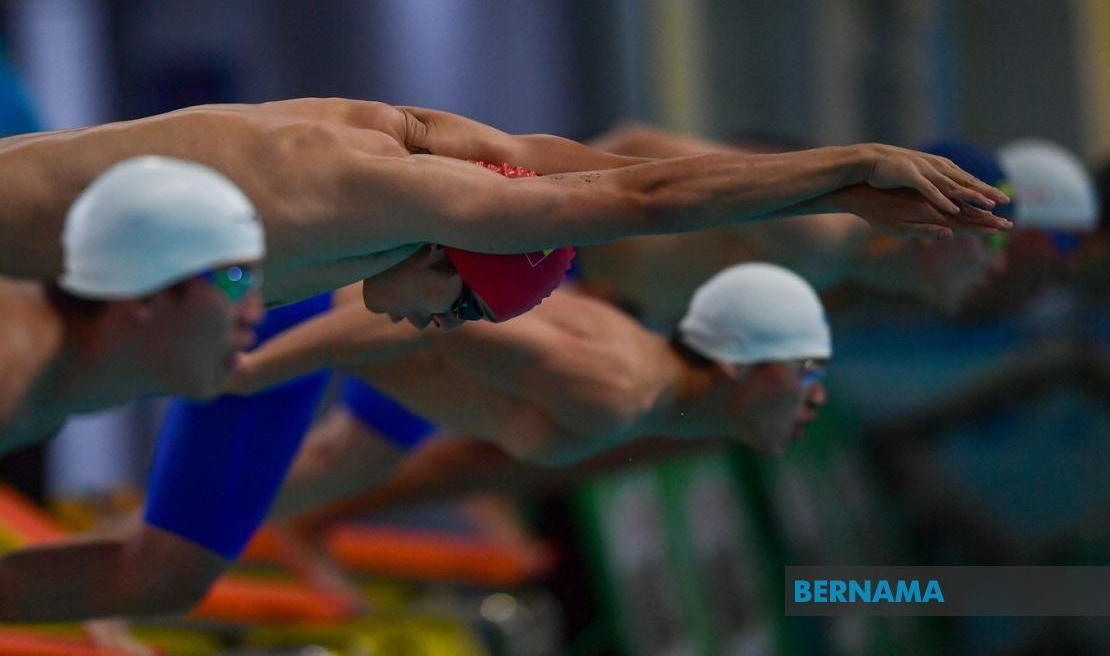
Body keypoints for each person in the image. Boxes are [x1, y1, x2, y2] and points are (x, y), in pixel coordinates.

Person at [0, 262, 831, 622]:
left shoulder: (638, 390)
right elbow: (405, 316)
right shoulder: (612, 387)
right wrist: (253, 365)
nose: (817, 394)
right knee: (167, 576)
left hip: (285, 312)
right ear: (740, 367)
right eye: (805, 368)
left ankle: (96, 591)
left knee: (200, 545)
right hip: (286, 317)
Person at [0, 98, 1011, 312]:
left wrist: (852, 183)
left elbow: (589, 177)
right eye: (461, 310)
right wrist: (855, 163)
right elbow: (644, 190)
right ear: (458, 253)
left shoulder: (425, 151)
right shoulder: (383, 192)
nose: (424, 324)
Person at [579, 127, 1011, 322]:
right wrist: (545, 202)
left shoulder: (838, 263)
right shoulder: (821, 234)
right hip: (554, 236)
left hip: (563, 258)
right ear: (939, 223)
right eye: (991, 243)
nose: (997, 268)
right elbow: (640, 146)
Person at [0, 155, 265, 454]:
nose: (255, 314)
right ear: (145, 295)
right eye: (235, 279)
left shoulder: (56, 385)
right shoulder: (13, 369)